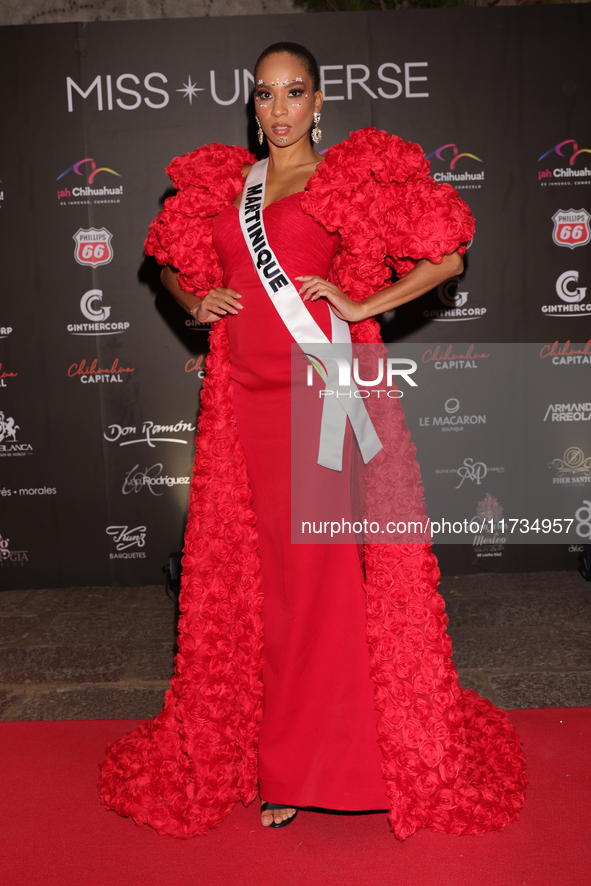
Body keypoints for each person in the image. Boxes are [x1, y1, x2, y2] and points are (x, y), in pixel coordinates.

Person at [99, 42, 526, 838]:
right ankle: (290, 748)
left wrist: (366, 307)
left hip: (318, 398)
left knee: (318, 583)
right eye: (265, 95)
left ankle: (310, 766)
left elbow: (447, 257)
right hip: (241, 409)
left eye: (295, 92)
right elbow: (167, 262)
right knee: (265, 587)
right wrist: (194, 300)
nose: (280, 109)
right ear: (252, 106)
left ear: (320, 101)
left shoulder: (345, 179)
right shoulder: (228, 187)